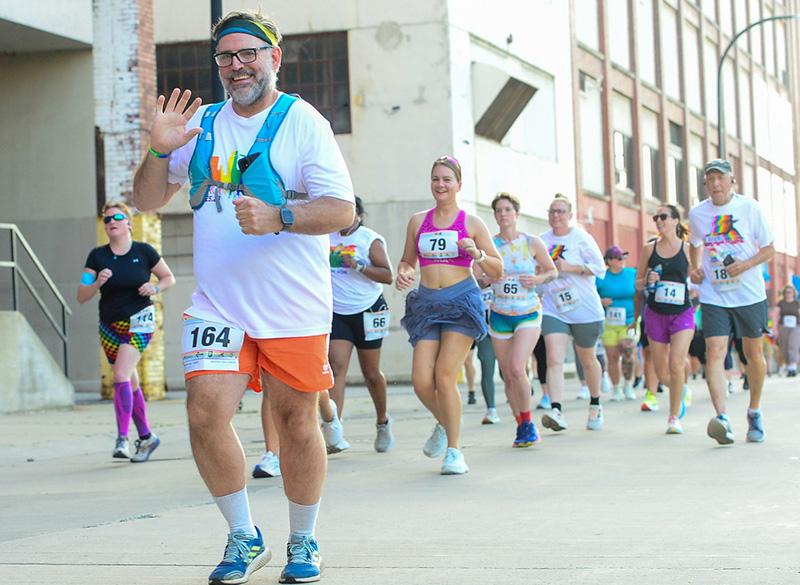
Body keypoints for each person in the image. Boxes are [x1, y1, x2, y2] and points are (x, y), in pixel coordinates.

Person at [132, 9, 355, 584]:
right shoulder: (202, 124)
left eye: (247, 54)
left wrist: (281, 215)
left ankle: (302, 542)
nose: (236, 66)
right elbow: (148, 201)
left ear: (273, 58)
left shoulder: (301, 121)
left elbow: (341, 210)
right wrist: (159, 150)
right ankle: (242, 536)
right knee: (204, 413)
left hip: (292, 304)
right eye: (226, 57)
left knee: (295, 423)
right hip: (219, 304)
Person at [396, 155, 502, 475]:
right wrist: (402, 273)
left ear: (459, 185)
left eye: (446, 179)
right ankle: (445, 423)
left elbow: (497, 269)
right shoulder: (418, 221)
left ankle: (455, 451)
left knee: (444, 375)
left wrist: (477, 253)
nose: (440, 185)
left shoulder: (471, 223)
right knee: (420, 381)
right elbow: (406, 261)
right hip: (427, 303)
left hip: (460, 301)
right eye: (435, 179)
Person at [78, 201, 175, 462]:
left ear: (129, 223)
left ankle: (121, 439)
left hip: (140, 320)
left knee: (120, 374)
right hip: (110, 325)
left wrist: (155, 288)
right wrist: (97, 281)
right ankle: (147, 438)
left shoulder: (144, 252)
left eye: (117, 217)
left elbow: (168, 277)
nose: (111, 221)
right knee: (128, 380)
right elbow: (81, 295)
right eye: (107, 218)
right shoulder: (96, 257)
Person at [689, 159, 774, 445]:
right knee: (715, 351)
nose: (715, 184)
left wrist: (746, 264)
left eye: (720, 178)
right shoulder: (698, 213)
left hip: (749, 294)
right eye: (710, 179)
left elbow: (769, 249)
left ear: (731, 180)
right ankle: (722, 418)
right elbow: (695, 242)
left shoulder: (749, 207)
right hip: (715, 294)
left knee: (753, 354)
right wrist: (695, 267)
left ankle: (754, 411)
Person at [487, 192, 557, 447]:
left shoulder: (532, 242)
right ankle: (521, 425)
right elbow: (477, 277)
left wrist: (536, 280)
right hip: (499, 315)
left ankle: (528, 423)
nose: (502, 214)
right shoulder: (490, 245)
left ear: (516, 214)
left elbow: (552, 271)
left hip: (528, 312)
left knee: (518, 367)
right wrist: (488, 279)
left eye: (507, 210)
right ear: (494, 216)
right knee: (508, 374)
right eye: (498, 210)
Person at [327, 196, 394, 452]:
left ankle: (382, 422)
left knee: (371, 373)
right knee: (336, 367)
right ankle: (335, 430)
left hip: (368, 309)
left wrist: (360, 265)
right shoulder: (326, 236)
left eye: (350, 213)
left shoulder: (369, 239)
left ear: (359, 215)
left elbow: (387, 275)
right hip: (337, 311)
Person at [538, 194, 607, 432]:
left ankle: (595, 404)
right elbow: (534, 267)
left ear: (570, 215)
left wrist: (570, 268)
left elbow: (600, 269)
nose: (555, 216)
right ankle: (556, 410)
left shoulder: (581, 238)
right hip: (553, 307)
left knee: (588, 360)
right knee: (554, 358)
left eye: (560, 211)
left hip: (584, 308)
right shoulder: (541, 240)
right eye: (551, 211)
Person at [633, 205, 694, 434]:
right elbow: (638, 283)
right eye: (655, 217)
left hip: (682, 312)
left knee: (676, 363)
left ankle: (673, 417)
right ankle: (681, 389)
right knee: (661, 372)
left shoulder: (688, 249)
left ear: (676, 221)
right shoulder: (650, 249)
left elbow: (698, 275)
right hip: (656, 314)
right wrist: (647, 279)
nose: (658, 220)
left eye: (663, 217)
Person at [596, 246, 639, 401]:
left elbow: (641, 292)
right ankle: (616, 388)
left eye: (623, 257)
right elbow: (590, 295)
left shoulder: (632, 274)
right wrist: (601, 301)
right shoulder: (600, 277)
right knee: (612, 356)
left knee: (628, 351)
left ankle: (628, 385)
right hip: (609, 323)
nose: (622, 261)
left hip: (629, 321)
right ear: (609, 261)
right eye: (618, 258)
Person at [775, 285, 800, 377]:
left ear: (793, 293)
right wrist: (775, 329)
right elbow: (775, 316)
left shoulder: (797, 303)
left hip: (795, 327)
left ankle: (793, 367)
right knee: (784, 347)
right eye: (787, 292)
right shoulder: (781, 303)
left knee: (793, 346)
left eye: (790, 292)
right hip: (783, 327)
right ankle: (789, 366)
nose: (788, 294)